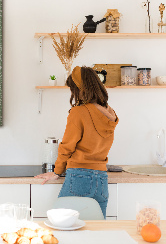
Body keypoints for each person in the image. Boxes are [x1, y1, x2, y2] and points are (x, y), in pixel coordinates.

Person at [35, 66, 118, 218]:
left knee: (61, 223)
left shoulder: (79, 112)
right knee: (96, 230)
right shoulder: (109, 113)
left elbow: (67, 147)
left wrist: (57, 172)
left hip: (79, 177)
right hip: (101, 179)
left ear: (80, 89)